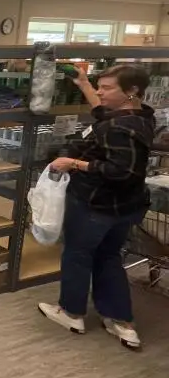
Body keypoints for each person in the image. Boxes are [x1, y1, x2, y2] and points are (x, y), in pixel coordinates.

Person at [38, 64, 155, 350]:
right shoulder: (141, 115)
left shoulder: (120, 126)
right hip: (126, 206)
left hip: (96, 203)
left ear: (132, 91)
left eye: (107, 88)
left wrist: (73, 163)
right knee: (109, 256)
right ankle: (121, 322)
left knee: (78, 255)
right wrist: (84, 85)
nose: (100, 92)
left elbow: (121, 171)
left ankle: (71, 313)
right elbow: (105, 115)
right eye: (99, 87)